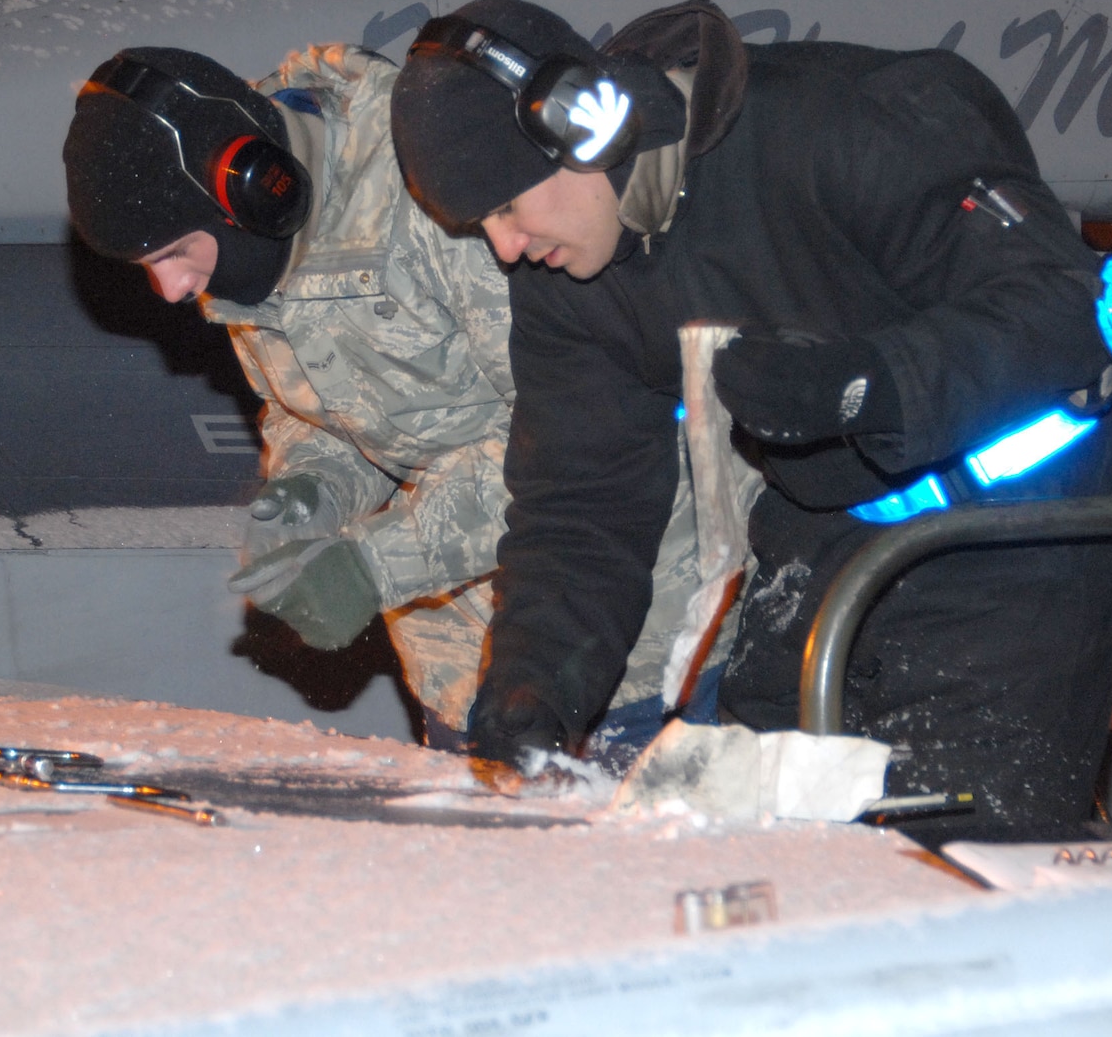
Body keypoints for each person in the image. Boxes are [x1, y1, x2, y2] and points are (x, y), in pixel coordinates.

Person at [390, 0, 1112, 837]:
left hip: (1013, 546)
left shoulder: (853, 125)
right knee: (752, 847)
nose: (505, 247)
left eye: (506, 206)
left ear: (582, 125)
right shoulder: (571, 285)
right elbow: (581, 501)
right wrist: (535, 681)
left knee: (945, 868)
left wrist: (868, 386)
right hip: (818, 537)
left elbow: (1074, 307)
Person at [61, 42, 718, 756]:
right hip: (463, 677)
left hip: (625, 654)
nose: (173, 289)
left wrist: (373, 565)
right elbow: (321, 409)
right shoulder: (240, 256)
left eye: (170, 253)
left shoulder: (434, 193)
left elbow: (570, 445)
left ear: (254, 184)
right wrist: (311, 487)